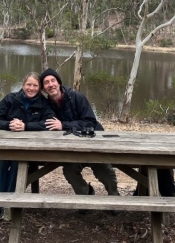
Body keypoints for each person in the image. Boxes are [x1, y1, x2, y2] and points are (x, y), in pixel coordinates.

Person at [39, 68, 120, 212]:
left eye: (53, 81)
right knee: (69, 171)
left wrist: (64, 125)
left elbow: (90, 121)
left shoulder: (77, 97)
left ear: (59, 83)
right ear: (43, 88)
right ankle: (85, 196)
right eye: (46, 83)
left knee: (105, 171)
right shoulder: (46, 105)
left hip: (94, 144)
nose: (50, 85)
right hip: (72, 149)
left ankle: (114, 198)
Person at [0, 72, 54, 219]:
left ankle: (9, 204)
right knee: (0, 161)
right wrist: (9, 124)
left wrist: (26, 126)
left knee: (18, 164)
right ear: (23, 85)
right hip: (6, 146)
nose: (31, 88)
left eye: (35, 85)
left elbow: (50, 124)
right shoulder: (10, 99)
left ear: (40, 88)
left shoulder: (44, 103)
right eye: (28, 84)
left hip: (29, 149)